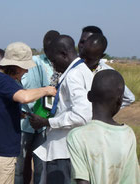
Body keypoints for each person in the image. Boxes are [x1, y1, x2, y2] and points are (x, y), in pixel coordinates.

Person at [0, 42, 57, 184]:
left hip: (0, 152)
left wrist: (18, 114)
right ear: (15, 67)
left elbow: (0, 107)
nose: (27, 72)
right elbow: (24, 97)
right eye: (24, 68)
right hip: (1, 156)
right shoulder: (4, 81)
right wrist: (47, 90)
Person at [29, 35, 94, 184]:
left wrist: (47, 122)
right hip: (73, 148)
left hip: (64, 151)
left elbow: (81, 115)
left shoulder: (73, 76)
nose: (52, 65)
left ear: (64, 54)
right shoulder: (82, 70)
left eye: (53, 60)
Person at [67, 69, 140, 184]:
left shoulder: (77, 136)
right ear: (120, 100)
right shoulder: (128, 134)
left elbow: (82, 181)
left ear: (89, 96)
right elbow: (131, 179)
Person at [15, 30, 60, 184]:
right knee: (19, 167)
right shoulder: (34, 63)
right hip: (25, 121)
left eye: (52, 48)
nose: (49, 52)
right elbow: (21, 88)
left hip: (46, 125)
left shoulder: (61, 65)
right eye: (46, 48)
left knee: (41, 167)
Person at [78, 25, 135, 107]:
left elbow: (129, 98)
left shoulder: (107, 72)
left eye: (90, 43)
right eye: (82, 42)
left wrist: (105, 111)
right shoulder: (69, 66)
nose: (85, 46)